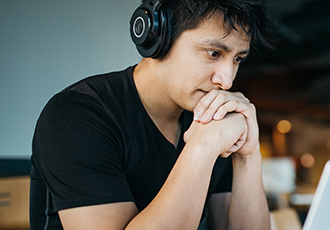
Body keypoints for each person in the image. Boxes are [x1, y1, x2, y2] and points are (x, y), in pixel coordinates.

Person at [29, 0, 276, 229]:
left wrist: (247, 154)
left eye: (238, 59)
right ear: (158, 37)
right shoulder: (77, 115)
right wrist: (203, 145)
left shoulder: (212, 116)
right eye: (214, 53)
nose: (227, 80)